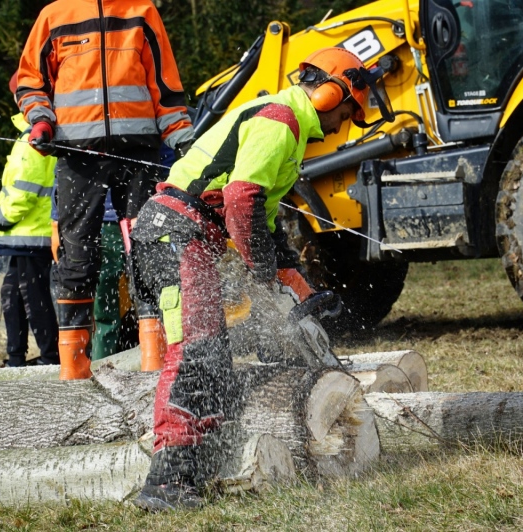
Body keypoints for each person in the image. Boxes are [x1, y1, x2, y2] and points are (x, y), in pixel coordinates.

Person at [128, 47, 369, 511]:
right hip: (175, 233)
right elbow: (241, 198)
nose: (344, 124)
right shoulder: (282, 119)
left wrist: (301, 288)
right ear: (328, 92)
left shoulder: (289, 129)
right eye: (346, 111)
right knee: (196, 348)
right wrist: (259, 268)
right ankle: (164, 481)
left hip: (188, 235)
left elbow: (266, 220)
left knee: (214, 348)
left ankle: (199, 466)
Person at [16, 0, 195, 379]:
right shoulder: (54, 14)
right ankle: (74, 369)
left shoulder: (142, 10)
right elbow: (31, 81)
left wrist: (184, 141)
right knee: (77, 255)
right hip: (78, 154)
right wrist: (41, 120)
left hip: (139, 151)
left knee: (150, 252)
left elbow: (166, 87)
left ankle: (155, 362)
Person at [0, 71, 59, 368]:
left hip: (29, 233)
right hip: (24, 235)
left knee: (34, 298)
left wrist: (1, 218)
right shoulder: (34, 133)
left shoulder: (34, 137)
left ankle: (51, 357)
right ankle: (15, 357)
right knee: (13, 295)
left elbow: (24, 189)